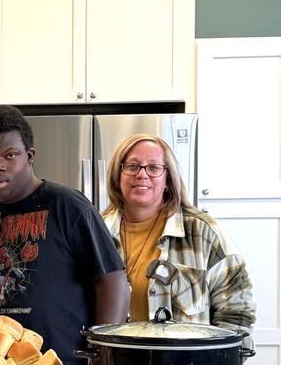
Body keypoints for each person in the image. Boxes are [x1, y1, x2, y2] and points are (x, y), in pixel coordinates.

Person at [0, 105, 129, 365]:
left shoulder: (67, 205)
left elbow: (112, 281)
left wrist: (101, 356)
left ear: (30, 156)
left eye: (10, 155)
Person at [101, 133, 256, 342]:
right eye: (132, 166)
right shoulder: (95, 231)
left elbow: (238, 309)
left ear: (168, 180)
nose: (142, 175)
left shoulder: (201, 232)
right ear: (117, 175)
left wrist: (220, 364)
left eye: (154, 168)